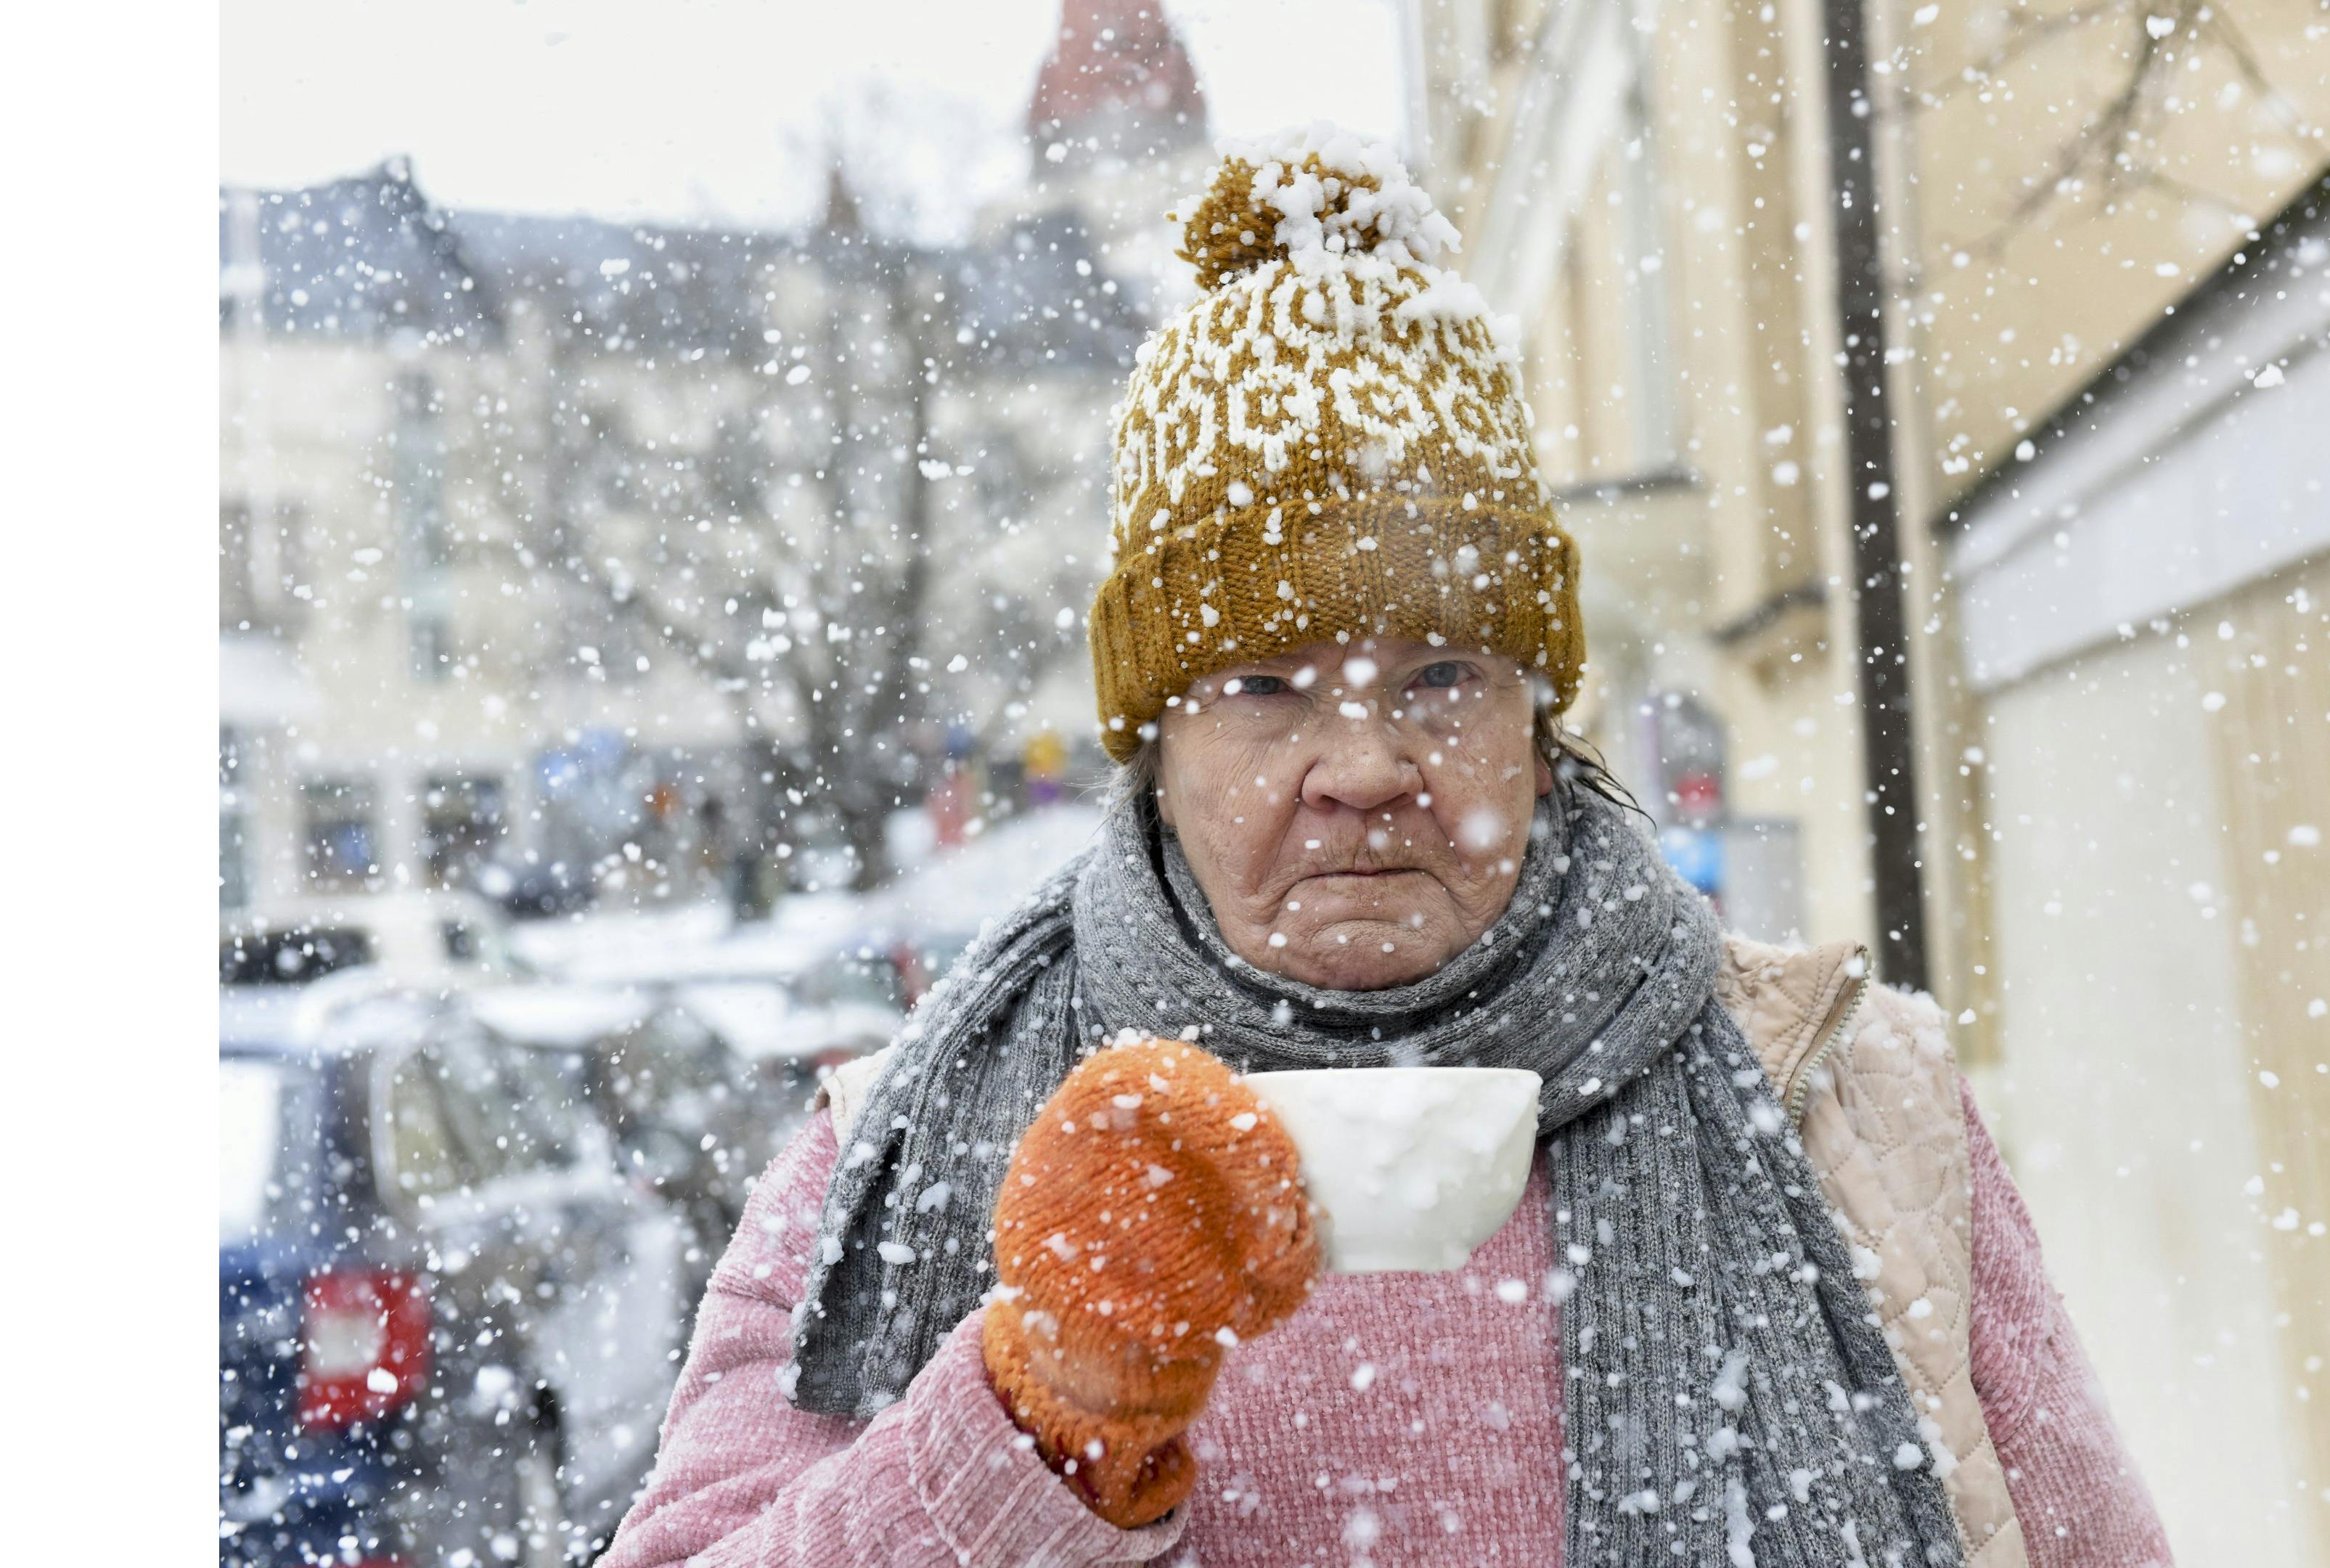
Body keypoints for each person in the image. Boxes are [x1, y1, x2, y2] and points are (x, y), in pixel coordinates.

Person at [602, 126, 2169, 1568]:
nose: (1363, 769)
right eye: (1264, 687)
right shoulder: (907, 1145)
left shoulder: (1849, 1098)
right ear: (1157, 756)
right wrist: (1032, 1411)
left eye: (1439, 677)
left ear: (1536, 726)